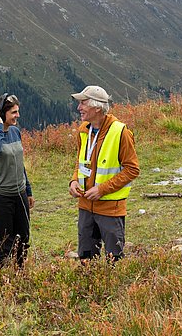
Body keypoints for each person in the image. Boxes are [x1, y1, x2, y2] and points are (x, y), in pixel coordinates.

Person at [68, 85, 139, 260]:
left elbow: (132, 169)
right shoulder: (84, 130)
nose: (79, 108)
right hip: (85, 207)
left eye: (83, 103)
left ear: (97, 107)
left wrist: (102, 189)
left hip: (110, 209)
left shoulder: (121, 132)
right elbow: (81, 162)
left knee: (114, 260)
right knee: (86, 259)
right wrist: (74, 181)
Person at [0, 93, 34, 268]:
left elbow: (19, 163)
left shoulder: (15, 132)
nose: (17, 116)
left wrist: (28, 191)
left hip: (19, 194)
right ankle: (4, 274)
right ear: (2, 114)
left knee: (23, 237)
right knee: (5, 239)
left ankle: (20, 271)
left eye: (17, 112)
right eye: (14, 112)